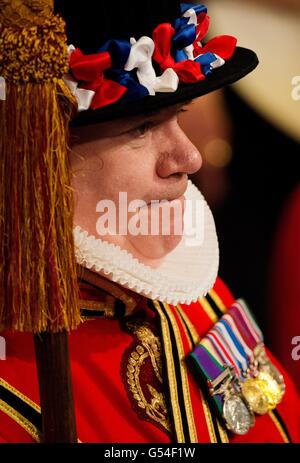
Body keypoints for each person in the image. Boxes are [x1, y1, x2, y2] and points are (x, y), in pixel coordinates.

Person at [0, 0, 299, 443]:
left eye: (177, 116)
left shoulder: (170, 278)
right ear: (35, 152)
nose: (190, 158)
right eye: (140, 128)